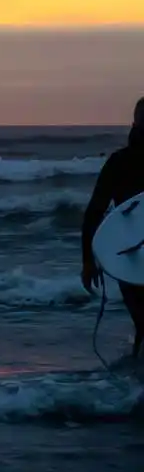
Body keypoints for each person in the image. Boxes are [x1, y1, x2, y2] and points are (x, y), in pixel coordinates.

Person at [81, 97, 144, 358]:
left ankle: (136, 374)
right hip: (129, 255)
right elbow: (94, 212)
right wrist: (88, 260)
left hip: (128, 255)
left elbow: (94, 212)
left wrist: (88, 260)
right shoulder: (119, 162)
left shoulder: (118, 162)